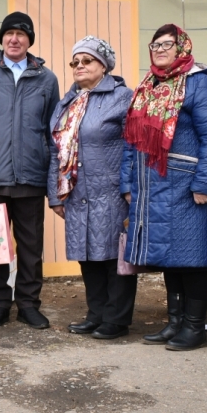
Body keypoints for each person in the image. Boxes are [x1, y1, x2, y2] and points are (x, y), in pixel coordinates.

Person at [120, 24, 207, 351]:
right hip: (153, 186)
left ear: (182, 47)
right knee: (170, 256)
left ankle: (195, 328)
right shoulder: (148, 87)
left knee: (192, 256)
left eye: (168, 44)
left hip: (187, 185)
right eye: (155, 45)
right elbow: (131, 140)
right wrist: (128, 183)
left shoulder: (201, 85)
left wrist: (205, 182)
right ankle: (175, 322)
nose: (161, 50)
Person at [0, 12, 60, 329]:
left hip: (32, 177)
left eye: (21, 34)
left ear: (29, 41)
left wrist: (52, 177)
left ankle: (29, 305)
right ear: (2, 39)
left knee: (31, 249)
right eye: (9, 34)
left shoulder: (47, 80)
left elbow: (53, 132)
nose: (14, 39)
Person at [48, 36, 135, 339]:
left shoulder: (122, 97)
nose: (79, 66)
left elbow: (133, 146)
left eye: (87, 61)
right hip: (77, 192)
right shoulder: (67, 102)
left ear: (104, 65)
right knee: (87, 255)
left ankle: (116, 319)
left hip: (110, 190)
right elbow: (56, 151)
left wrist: (129, 186)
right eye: (75, 62)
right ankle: (96, 313)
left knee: (114, 256)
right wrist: (55, 194)